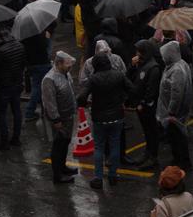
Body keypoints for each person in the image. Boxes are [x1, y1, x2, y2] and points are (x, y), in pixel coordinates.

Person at [75, 52, 134, 190]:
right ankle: (113, 175)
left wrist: (84, 104)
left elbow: (81, 96)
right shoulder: (118, 75)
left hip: (99, 118)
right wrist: (126, 101)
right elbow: (132, 88)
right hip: (117, 116)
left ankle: (98, 178)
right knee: (115, 145)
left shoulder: (94, 79)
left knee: (99, 147)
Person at [41, 51, 78, 184]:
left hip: (68, 116)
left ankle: (63, 167)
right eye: (67, 65)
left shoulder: (65, 74)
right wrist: (55, 119)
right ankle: (58, 175)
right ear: (59, 63)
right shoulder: (49, 79)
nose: (70, 67)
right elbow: (49, 101)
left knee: (65, 143)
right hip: (58, 119)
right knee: (58, 146)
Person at [156, 40, 193, 173]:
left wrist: (171, 111)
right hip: (174, 111)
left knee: (178, 138)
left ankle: (182, 161)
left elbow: (176, 93)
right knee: (176, 137)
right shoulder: (178, 65)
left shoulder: (176, 70)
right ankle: (179, 159)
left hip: (174, 112)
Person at [0, 31, 26, 150]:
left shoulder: (0, 51)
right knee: (17, 111)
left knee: (2, 114)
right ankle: (16, 138)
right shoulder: (20, 46)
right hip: (17, 83)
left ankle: (4, 141)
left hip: (5, 86)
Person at [128, 40, 163, 170]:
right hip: (139, 105)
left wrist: (143, 103)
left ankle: (153, 157)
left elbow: (152, 90)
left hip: (148, 107)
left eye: (139, 50)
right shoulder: (140, 64)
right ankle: (147, 153)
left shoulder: (153, 67)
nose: (136, 53)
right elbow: (130, 78)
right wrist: (132, 66)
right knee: (146, 131)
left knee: (152, 131)